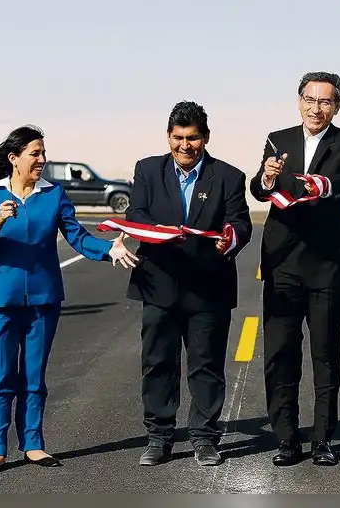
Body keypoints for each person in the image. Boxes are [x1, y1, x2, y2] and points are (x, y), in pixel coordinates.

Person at [0, 125, 138, 473]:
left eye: (43, 152)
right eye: (35, 153)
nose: (42, 159)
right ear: (14, 158)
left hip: (43, 299)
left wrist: (108, 249)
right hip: (1, 298)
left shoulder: (54, 194)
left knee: (34, 375)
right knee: (1, 377)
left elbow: (77, 237)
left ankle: (33, 443)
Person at [250, 71, 340, 467]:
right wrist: (265, 179)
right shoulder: (277, 139)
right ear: (298, 101)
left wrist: (323, 185)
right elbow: (259, 188)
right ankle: (286, 438)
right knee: (281, 354)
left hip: (328, 265)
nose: (316, 108)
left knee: (325, 354)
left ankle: (322, 440)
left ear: (336, 106)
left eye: (325, 102)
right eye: (310, 100)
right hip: (284, 262)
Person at [126, 101, 253, 468]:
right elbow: (136, 213)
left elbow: (239, 223)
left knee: (206, 365)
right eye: (178, 138)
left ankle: (204, 438)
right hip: (159, 284)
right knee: (158, 363)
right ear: (168, 137)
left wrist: (231, 238)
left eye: (193, 138)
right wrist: (157, 232)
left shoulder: (229, 176)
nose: (185, 145)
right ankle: (159, 437)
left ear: (206, 138)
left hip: (208, 287)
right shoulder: (147, 170)